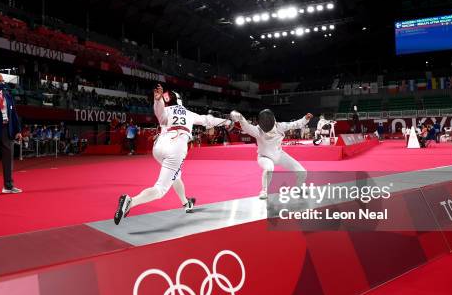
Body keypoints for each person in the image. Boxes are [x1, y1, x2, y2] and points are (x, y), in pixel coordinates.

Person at [114, 84, 231, 225]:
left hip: (158, 148)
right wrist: (227, 121)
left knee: (176, 175)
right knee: (160, 190)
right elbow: (208, 120)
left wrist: (157, 101)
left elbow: (159, 115)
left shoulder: (166, 110)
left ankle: (185, 203)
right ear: (180, 101)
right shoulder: (189, 113)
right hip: (176, 149)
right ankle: (130, 202)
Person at [230, 109, 313, 199]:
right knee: (269, 169)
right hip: (264, 157)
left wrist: (305, 119)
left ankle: (299, 188)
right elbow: (246, 126)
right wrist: (240, 117)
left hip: (279, 154)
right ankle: (264, 191)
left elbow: (295, 124)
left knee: (302, 172)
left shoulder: (280, 126)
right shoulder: (257, 130)